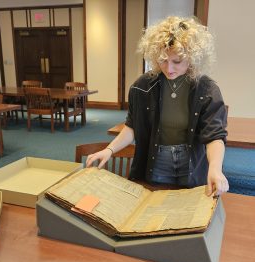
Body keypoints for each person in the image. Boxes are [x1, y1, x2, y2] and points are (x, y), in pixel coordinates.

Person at [86, 16, 229, 196]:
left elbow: (214, 136)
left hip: (191, 159)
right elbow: (132, 127)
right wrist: (110, 149)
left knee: (189, 207)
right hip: (158, 158)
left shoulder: (206, 89)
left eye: (176, 61)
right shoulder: (142, 86)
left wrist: (215, 168)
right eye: (163, 60)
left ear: (192, 58)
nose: (169, 69)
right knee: (154, 204)